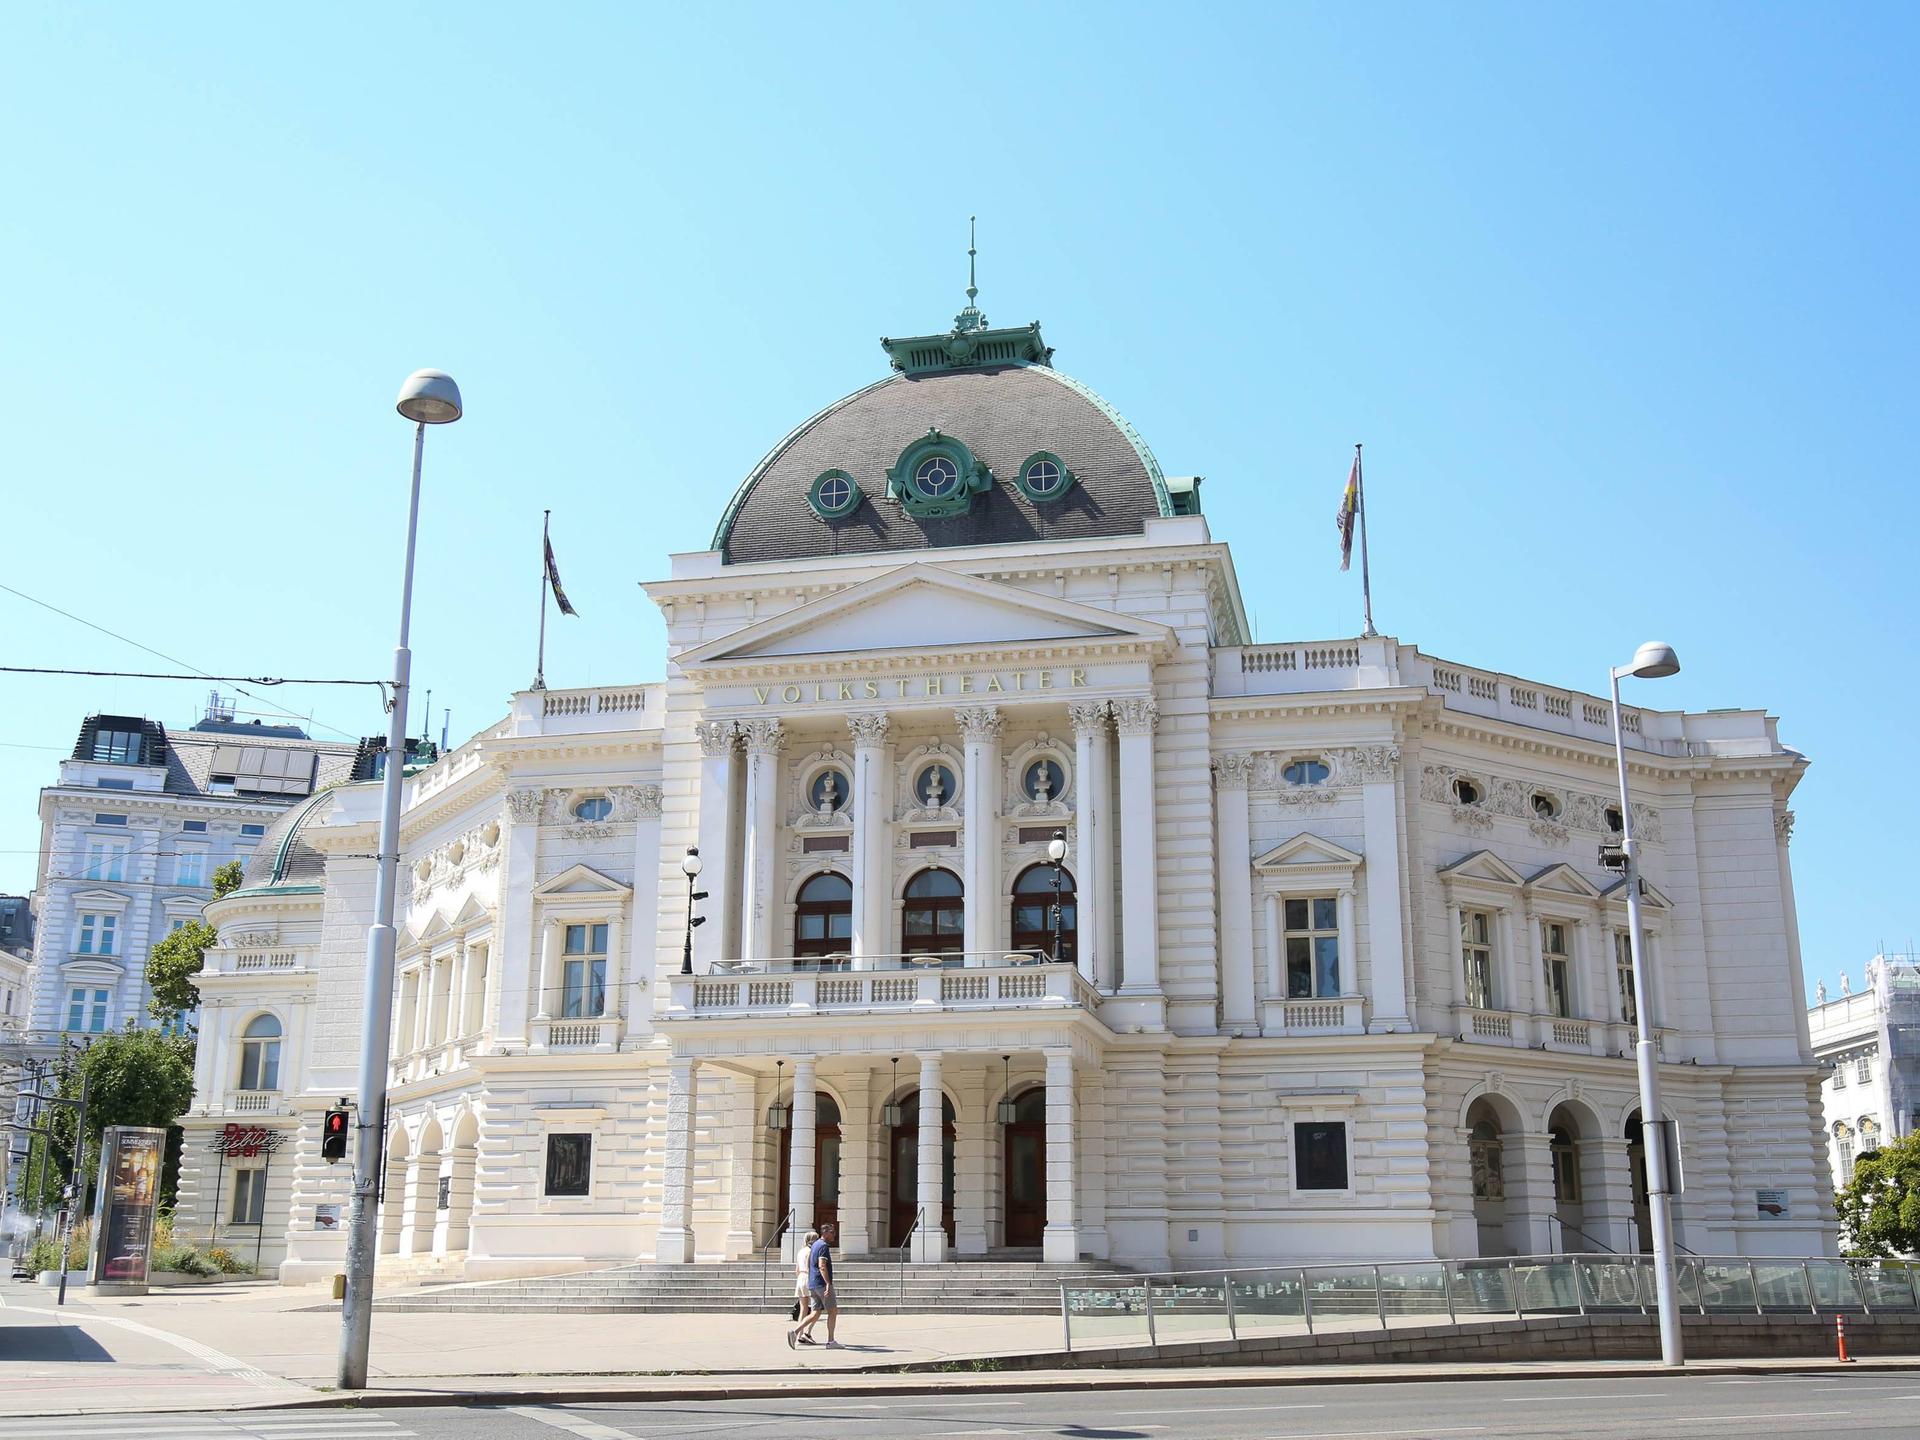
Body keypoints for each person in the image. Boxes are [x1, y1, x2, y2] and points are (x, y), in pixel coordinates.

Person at [788, 1220, 839, 1349]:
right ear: (825, 1233)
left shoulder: (815, 1245)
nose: (834, 1235)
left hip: (813, 1283)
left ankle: (795, 1333)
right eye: (832, 1233)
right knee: (832, 1311)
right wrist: (828, 1283)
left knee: (815, 1312)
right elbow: (822, 1266)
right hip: (821, 1283)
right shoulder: (823, 1246)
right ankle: (831, 1341)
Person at [787, 1228, 818, 1345]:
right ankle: (806, 1333)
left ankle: (799, 1335)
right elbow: (810, 1267)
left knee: (803, 1309)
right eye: (816, 1239)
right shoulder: (811, 1251)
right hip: (809, 1279)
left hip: (800, 1279)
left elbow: (797, 1269)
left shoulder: (800, 1251)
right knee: (817, 1309)